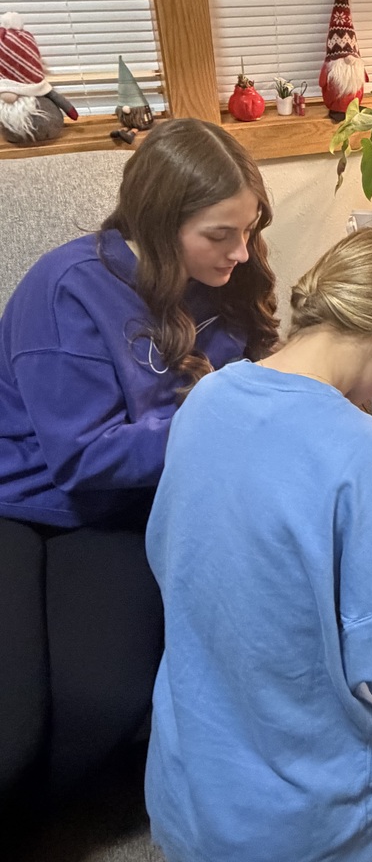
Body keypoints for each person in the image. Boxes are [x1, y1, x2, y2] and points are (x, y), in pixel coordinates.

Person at [144, 228, 372, 862]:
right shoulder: (368, 452)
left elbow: (175, 556)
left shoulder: (206, 396)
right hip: (302, 824)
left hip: (188, 791)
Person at [0, 118, 279, 814]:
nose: (241, 253)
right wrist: (219, 413)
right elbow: (83, 458)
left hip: (124, 514)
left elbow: (249, 390)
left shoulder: (226, 285)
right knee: (14, 720)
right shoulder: (68, 286)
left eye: (247, 231)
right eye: (221, 235)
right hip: (24, 502)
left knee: (108, 697)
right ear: (159, 222)